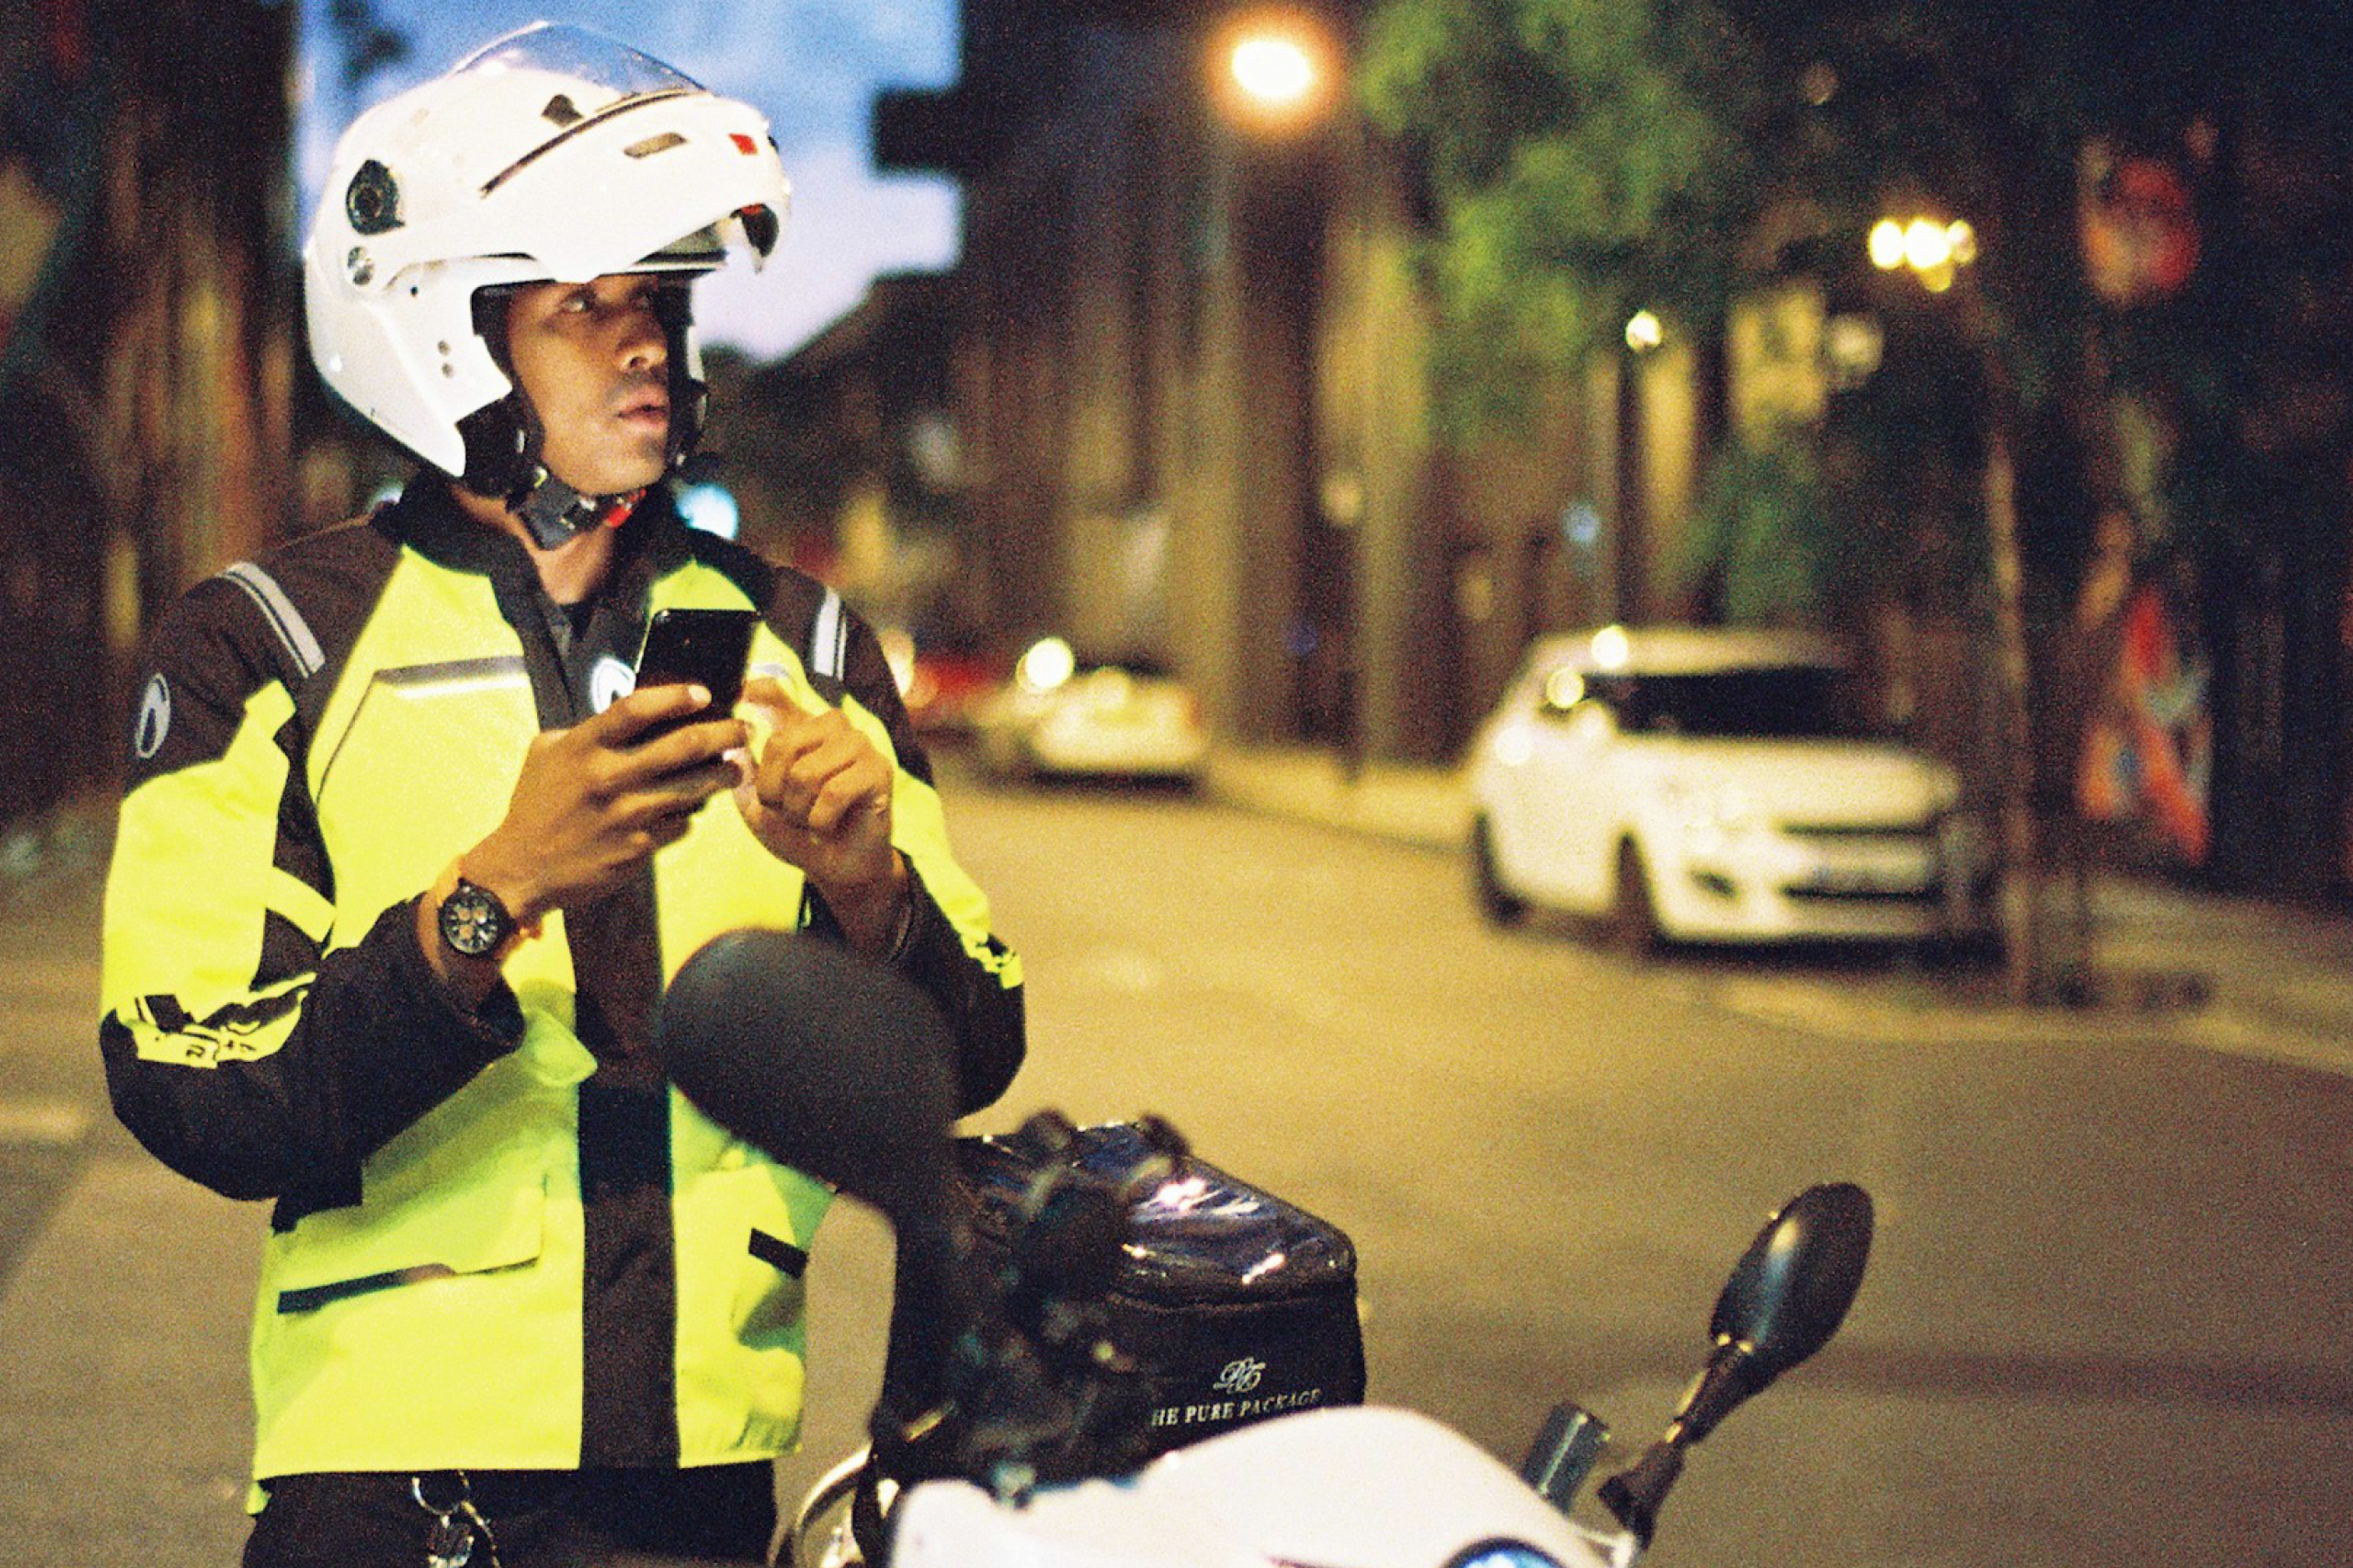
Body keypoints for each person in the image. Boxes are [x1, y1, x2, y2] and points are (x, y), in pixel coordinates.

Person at [95, 23, 1024, 1566]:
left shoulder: (802, 641)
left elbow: (973, 1048)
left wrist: (868, 884)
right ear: (443, 329)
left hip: (710, 1494)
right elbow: (191, 1079)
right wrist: (489, 898)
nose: (648, 342)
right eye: (589, 305)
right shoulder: (267, 642)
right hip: (391, 1494)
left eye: (659, 301)